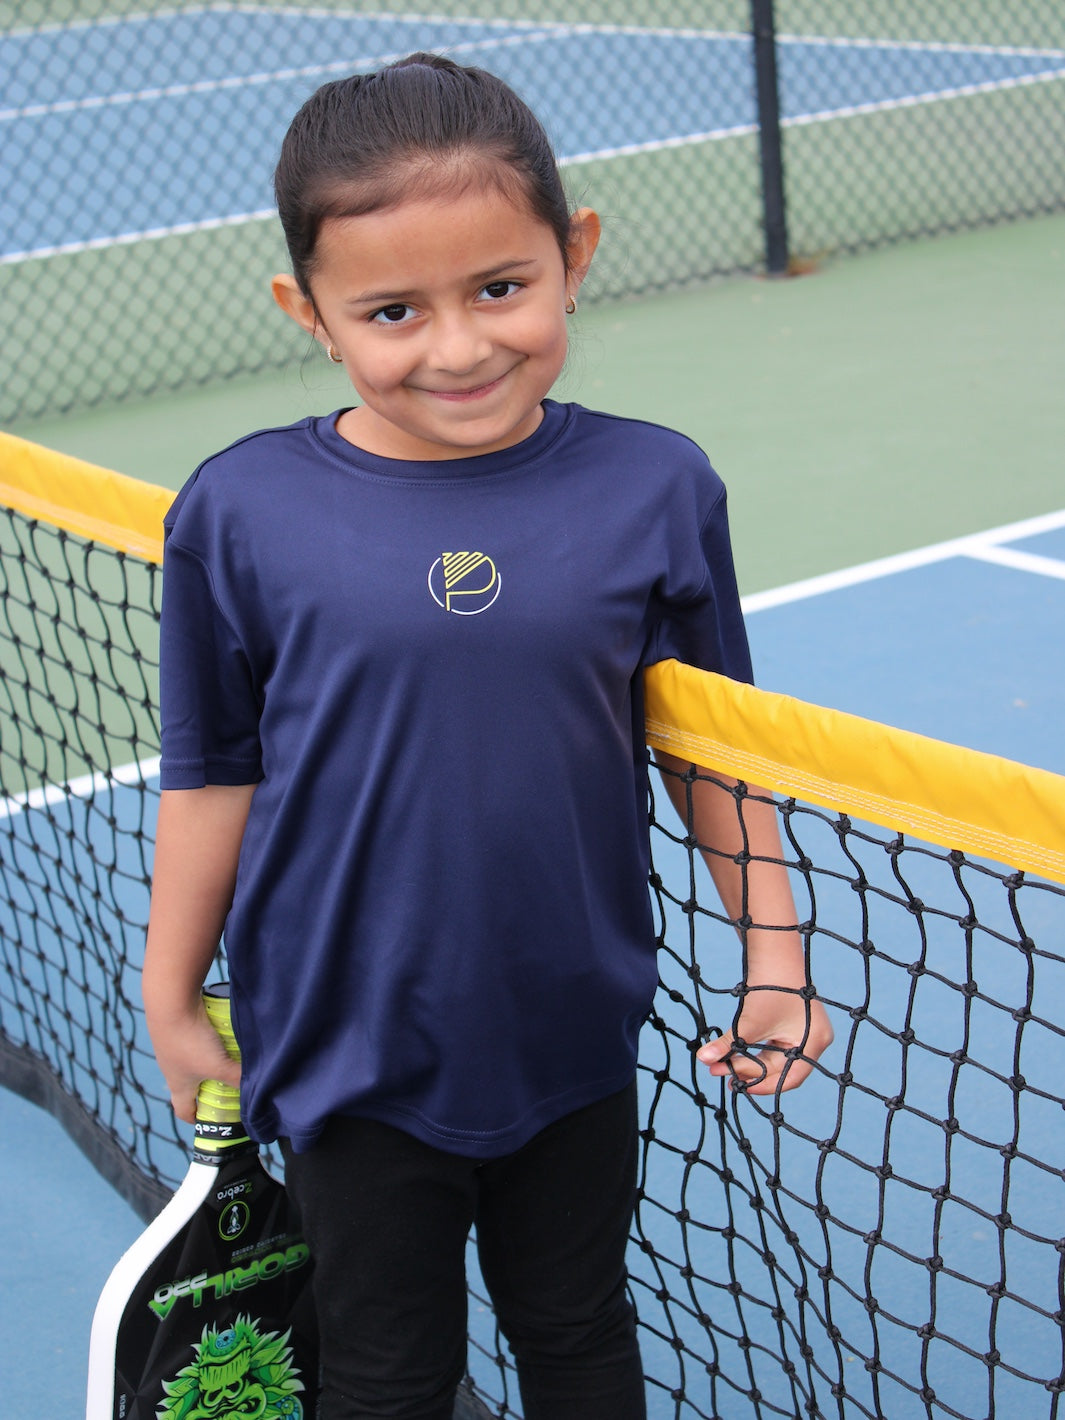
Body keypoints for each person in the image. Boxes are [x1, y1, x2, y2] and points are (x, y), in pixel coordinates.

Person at [143, 51, 833, 1420]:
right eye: (393, 310)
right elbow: (210, 772)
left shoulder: (657, 486)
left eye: (500, 288)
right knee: (388, 1368)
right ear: (309, 312)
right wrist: (171, 994)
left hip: (571, 1030)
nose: (457, 346)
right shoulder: (239, 510)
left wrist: (776, 952)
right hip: (346, 1046)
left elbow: (711, 756)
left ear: (571, 255)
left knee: (577, 1330)